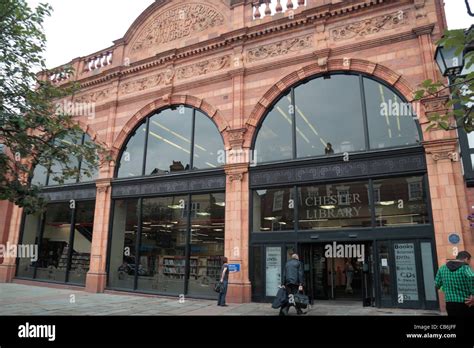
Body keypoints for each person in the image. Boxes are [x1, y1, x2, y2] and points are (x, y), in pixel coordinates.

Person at [435, 251, 474, 316]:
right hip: (466, 303)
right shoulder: (465, 268)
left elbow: (437, 284)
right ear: (466, 259)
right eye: (469, 261)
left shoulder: (442, 268)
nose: (469, 263)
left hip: (450, 303)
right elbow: (472, 277)